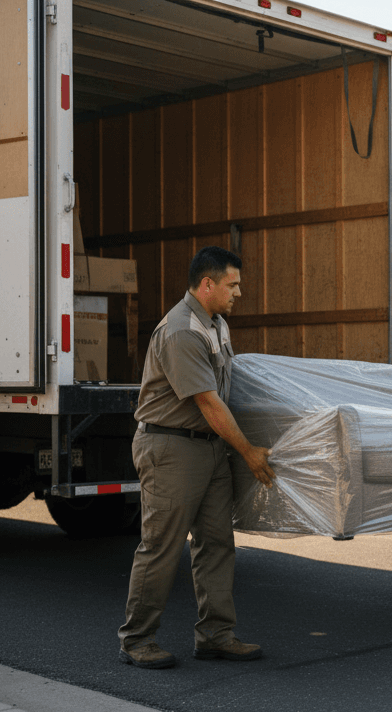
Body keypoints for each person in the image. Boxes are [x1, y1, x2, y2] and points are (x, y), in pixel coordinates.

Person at [118, 246, 275, 669]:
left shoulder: (216, 324)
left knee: (217, 543)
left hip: (207, 447)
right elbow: (208, 402)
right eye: (232, 284)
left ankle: (215, 635)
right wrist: (249, 453)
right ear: (207, 285)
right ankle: (137, 639)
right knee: (162, 547)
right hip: (171, 448)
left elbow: (226, 388)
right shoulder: (182, 330)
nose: (238, 292)